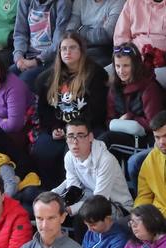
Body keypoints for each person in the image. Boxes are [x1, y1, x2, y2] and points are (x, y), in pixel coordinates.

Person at [32, 32, 107, 189]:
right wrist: (54, 128)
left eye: (72, 48)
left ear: (81, 51)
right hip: (60, 127)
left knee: (71, 150)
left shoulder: (95, 74)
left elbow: (97, 111)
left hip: (86, 128)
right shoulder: (48, 77)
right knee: (42, 147)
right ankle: (51, 192)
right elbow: (44, 111)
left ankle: (75, 192)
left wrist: (72, 131)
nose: (67, 52)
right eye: (64, 48)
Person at [52, 119, 133, 218]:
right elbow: (74, 188)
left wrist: (70, 209)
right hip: (91, 197)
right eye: (70, 136)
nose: (75, 142)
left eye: (80, 136)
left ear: (90, 137)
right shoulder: (69, 156)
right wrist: (54, 197)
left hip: (118, 207)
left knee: (83, 215)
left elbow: (100, 199)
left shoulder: (105, 160)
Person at [104, 43, 164, 151]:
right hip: (120, 133)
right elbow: (109, 119)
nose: (121, 71)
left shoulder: (149, 87)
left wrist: (130, 118)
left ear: (135, 65)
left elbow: (154, 123)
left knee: (105, 140)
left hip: (144, 138)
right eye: (118, 66)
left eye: (126, 66)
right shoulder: (114, 88)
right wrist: (118, 123)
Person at [12, 0, 73, 90]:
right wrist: (18, 57)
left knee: (23, 81)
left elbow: (58, 42)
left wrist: (37, 61)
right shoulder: (25, 2)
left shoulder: (63, 3)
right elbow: (20, 33)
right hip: (27, 56)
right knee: (6, 76)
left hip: (51, 59)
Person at [115, 0, 166, 68]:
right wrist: (126, 56)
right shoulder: (133, 2)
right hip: (134, 57)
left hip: (165, 60)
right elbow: (121, 36)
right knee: (107, 75)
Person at [68, 0, 127, 67]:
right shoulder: (80, 2)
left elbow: (105, 35)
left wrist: (81, 31)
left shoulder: (118, 2)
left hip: (103, 50)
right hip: (80, 47)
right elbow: (70, 31)